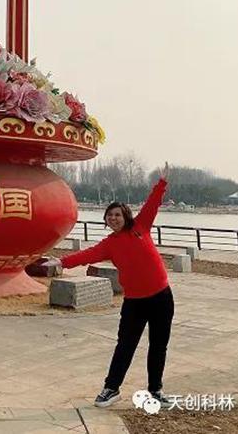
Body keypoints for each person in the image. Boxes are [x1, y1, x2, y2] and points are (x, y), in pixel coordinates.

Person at [42, 162, 173, 410]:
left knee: (158, 345)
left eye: (117, 214)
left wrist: (162, 183)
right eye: (109, 216)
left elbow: (152, 203)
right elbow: (87, 255)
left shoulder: (141, 227)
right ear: (106, 221)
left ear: (125, 216)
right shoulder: (109, 244)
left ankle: (155, 390)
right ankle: (111, 389)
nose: (113, 218)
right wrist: (61, 261)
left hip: (161, 297)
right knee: (125, 345)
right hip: (134, 302)